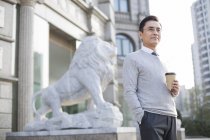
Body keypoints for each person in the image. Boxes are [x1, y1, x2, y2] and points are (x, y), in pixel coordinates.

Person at [122, 15, 180, 140]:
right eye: (151, 29)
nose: (155, 33)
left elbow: (163, 89)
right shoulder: (133, 58)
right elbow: (129, 91)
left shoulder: (165, 61)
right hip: (150, 117)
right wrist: (141, 117)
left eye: (158, 30)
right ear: (141, 34)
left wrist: (174, 91)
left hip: (171, 116)